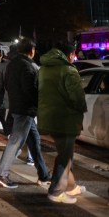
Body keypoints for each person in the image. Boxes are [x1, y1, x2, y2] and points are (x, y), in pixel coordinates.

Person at [0, 38, 51, 189]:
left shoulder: (12, 64)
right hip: (25, 109)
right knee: (15, 142)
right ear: (31, 51)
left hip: (18, 107)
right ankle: (1, 174)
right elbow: (30, 90)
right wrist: (40, 104)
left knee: (34, 142)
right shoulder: (27, 66)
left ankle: (43, 175)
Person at [38, 43, 87, 204]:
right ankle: (56, 191)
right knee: (65, 155)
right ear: (70, 55)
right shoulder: (69, 71)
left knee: (66, 153)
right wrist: (81, 111)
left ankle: (70, 186)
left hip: (49, 118)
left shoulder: (43, 69)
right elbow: (77, 98)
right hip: (65, 119)